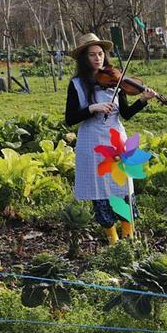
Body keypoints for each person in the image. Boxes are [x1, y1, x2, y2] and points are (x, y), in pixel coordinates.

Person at [65, 33, 157, 245]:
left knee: (123, 187)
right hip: (92, 142)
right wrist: (91, 108)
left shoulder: (115, 78)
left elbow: (125, 113)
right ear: (83, 58)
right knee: (100, 190)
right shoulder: (77, 84)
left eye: (100, 54)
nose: (98, 59)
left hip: (117, 141)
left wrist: (143, 100)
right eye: (92, 55)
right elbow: (70, 118)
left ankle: (128, 233)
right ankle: (112, 237)